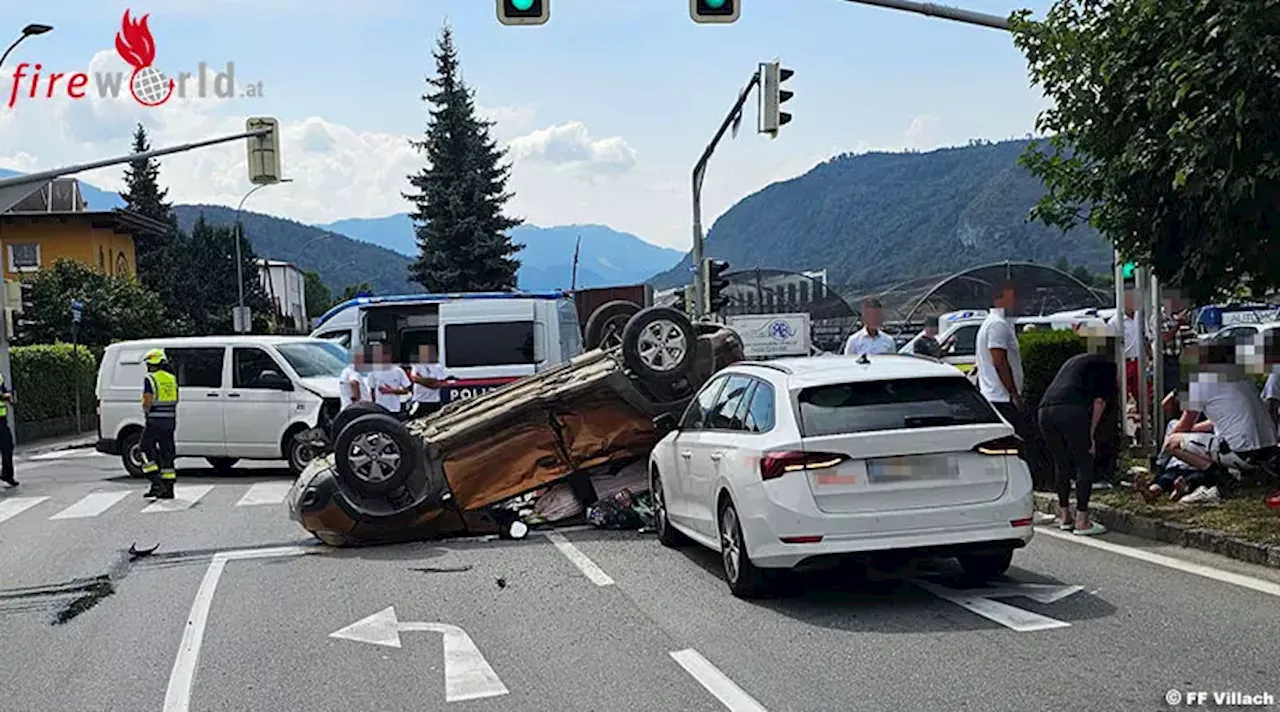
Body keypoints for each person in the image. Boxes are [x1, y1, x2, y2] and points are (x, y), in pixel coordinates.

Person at [1164, 340, 1278, 488]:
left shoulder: (1197, 383)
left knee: (1172, 443)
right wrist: (1193, 431)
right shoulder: (1238, 374)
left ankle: (1221, 478)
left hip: (1242, 453)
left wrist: (1169, 440)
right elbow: (1221, 420)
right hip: (1269, 449)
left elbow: (1184, 427)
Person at [1037, 327, 1117, 535]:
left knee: (1061, 462)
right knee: (1084, 461)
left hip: (1045, 409)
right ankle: (1082, 519)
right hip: (1071, 409)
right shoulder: (1107, 364)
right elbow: (1099, 402)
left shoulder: (1076, 360)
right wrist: (1090, 435)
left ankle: (1065, 516)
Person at [976, 279, 1047, 477]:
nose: (1019, 301)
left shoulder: (994, 324)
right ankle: (1034, 479)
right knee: (1028, 439)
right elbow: (999, 360)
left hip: (997, 395)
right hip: (1002, 397)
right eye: (1014, 296)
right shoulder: (997, 325)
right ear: (1003, 297)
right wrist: (1013, 393)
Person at [140, 348, 178, 500]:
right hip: (170, 421)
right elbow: (177, 399)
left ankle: (156, 482)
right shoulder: (171, 378)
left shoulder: (150, 378)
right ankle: (168, 489)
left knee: (143, 449)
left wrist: (146, 410)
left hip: (155, 421)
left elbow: (148, 400)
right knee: (167, 453)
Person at [367, 343, 411, 417]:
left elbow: (406, 390)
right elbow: (372, 391)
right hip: (380, 409)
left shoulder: (398, 371)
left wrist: (391, 391)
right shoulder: (373, 371)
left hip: (395, 409)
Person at [408, 344, 450, 419]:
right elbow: (414, 379)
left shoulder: (438, 366)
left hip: (434, 401)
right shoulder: (417, 365)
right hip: (420, 401)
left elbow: (438, 383)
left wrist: (421, 380)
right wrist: (431, 382)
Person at [0, 373, 15, 487]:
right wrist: (5, 396)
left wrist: (9, 396)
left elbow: (3, 390)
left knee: (7, 446)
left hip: (1, 420)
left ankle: (7, 475)